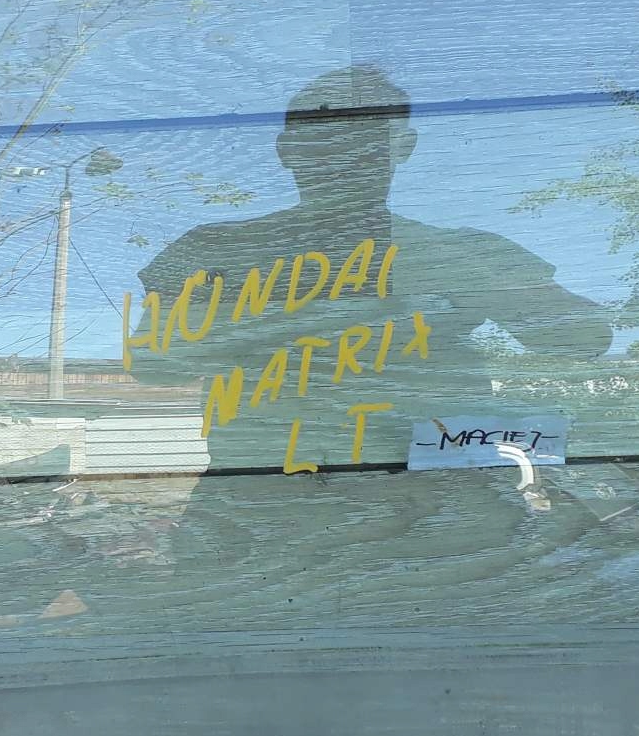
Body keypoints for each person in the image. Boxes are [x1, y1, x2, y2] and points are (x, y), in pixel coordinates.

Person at [129, 64, 612, 474]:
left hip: (443, 506)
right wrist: (325, 318)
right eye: (322, 138)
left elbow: (588, 338)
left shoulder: (468, 252)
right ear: (287, 150)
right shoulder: (213, 249)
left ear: (404, 145)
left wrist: (490, 284)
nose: (343, 154)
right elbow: (152, 364)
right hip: (261, 500)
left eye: (363, 137)